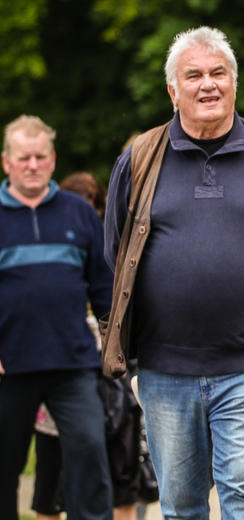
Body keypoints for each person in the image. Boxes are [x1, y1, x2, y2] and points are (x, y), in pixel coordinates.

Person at [103, 26, 244, 520]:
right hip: (163, 370)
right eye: (193, 75)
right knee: (180, 503)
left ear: (235, 83)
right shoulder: (139, 159)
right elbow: (116, 255)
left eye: (219, 73)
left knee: (241, 490)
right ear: (173, 91)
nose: (208, 84)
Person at [0, 115, 114, 520]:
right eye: (23, 157)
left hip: (73, 364)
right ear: (7, 162)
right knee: (4, 469)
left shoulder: (78, 213)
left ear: (52, 160)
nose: (32, 164)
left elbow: (103, 288)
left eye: (40, 156)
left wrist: (117, 349)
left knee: (88, 457)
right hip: (8, 369)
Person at [32, 172, 146, 520]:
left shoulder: (108, 251)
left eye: (92, 209)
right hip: (58, 376)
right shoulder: (47, 252)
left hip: (110, 382)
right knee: (52, 484)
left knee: (119, 476)